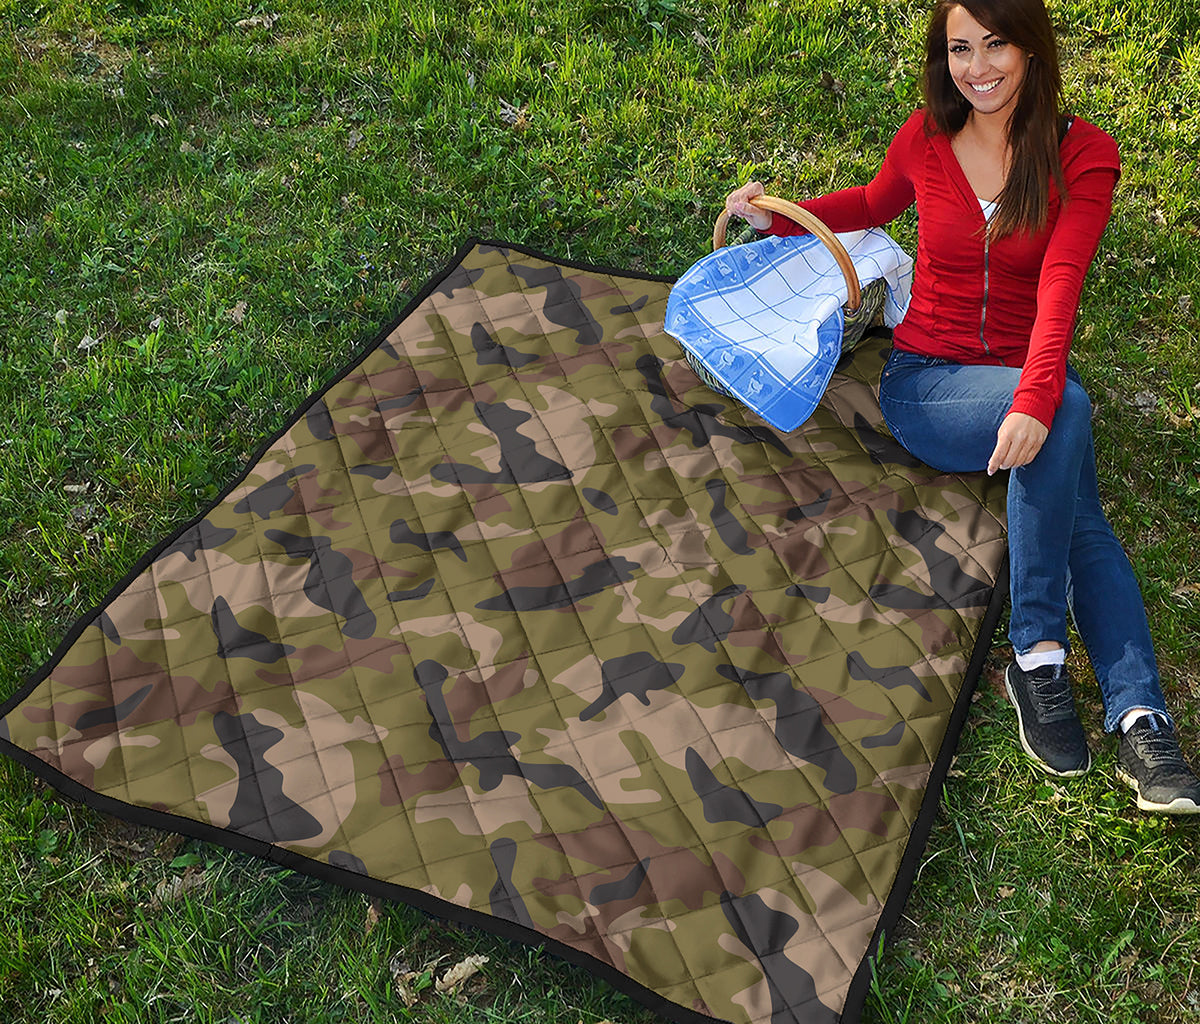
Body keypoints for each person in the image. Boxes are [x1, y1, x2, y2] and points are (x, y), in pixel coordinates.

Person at [724, 0, 1200, 814]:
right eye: (959, 48)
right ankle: (1042, 656)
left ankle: (1137, 716)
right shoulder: (925, 137)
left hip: (1022, 376)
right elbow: (870, 204)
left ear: (1032, 49)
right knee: (1069, 415)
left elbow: (1061, 284)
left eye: (995, 44)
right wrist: (779, 220)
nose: (977, 68)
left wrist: (1035, 397)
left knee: (1078, 497)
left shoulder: (1083, 155)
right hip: (927, 382)